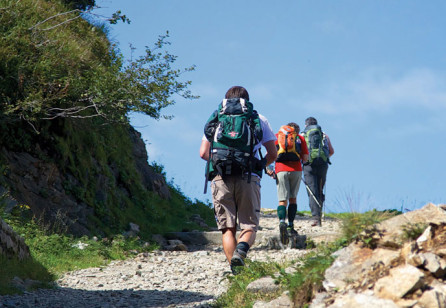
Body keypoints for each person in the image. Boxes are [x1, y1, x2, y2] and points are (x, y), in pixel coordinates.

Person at [199, 86, 277, 274]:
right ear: (247, 102)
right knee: (249, 225)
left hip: (220, 178)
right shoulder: (258, 119)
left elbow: (203, 153)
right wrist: (258, 164)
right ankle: (241, 252)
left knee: (228, 228)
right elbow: (272, 153)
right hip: (249, 177)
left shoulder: (217, 118)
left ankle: (237, 274)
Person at [267, 123, 309, 245]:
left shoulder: (277, 137)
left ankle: (281, 222)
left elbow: (270, 154)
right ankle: (290, 225)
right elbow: (305, 157)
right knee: (293, 199)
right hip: (296, 170)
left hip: (281, 170)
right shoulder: (300, 139)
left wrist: (269, 168)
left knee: (282, 200)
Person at [301, 117, 334, 227]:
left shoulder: (302, 135)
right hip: (323, 164)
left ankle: (315, 218)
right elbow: (331, 151)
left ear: (306, 125)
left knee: (312, 190)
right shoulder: (324, 135)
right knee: (320, 188)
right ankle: (320, 215)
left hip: (308, 165)